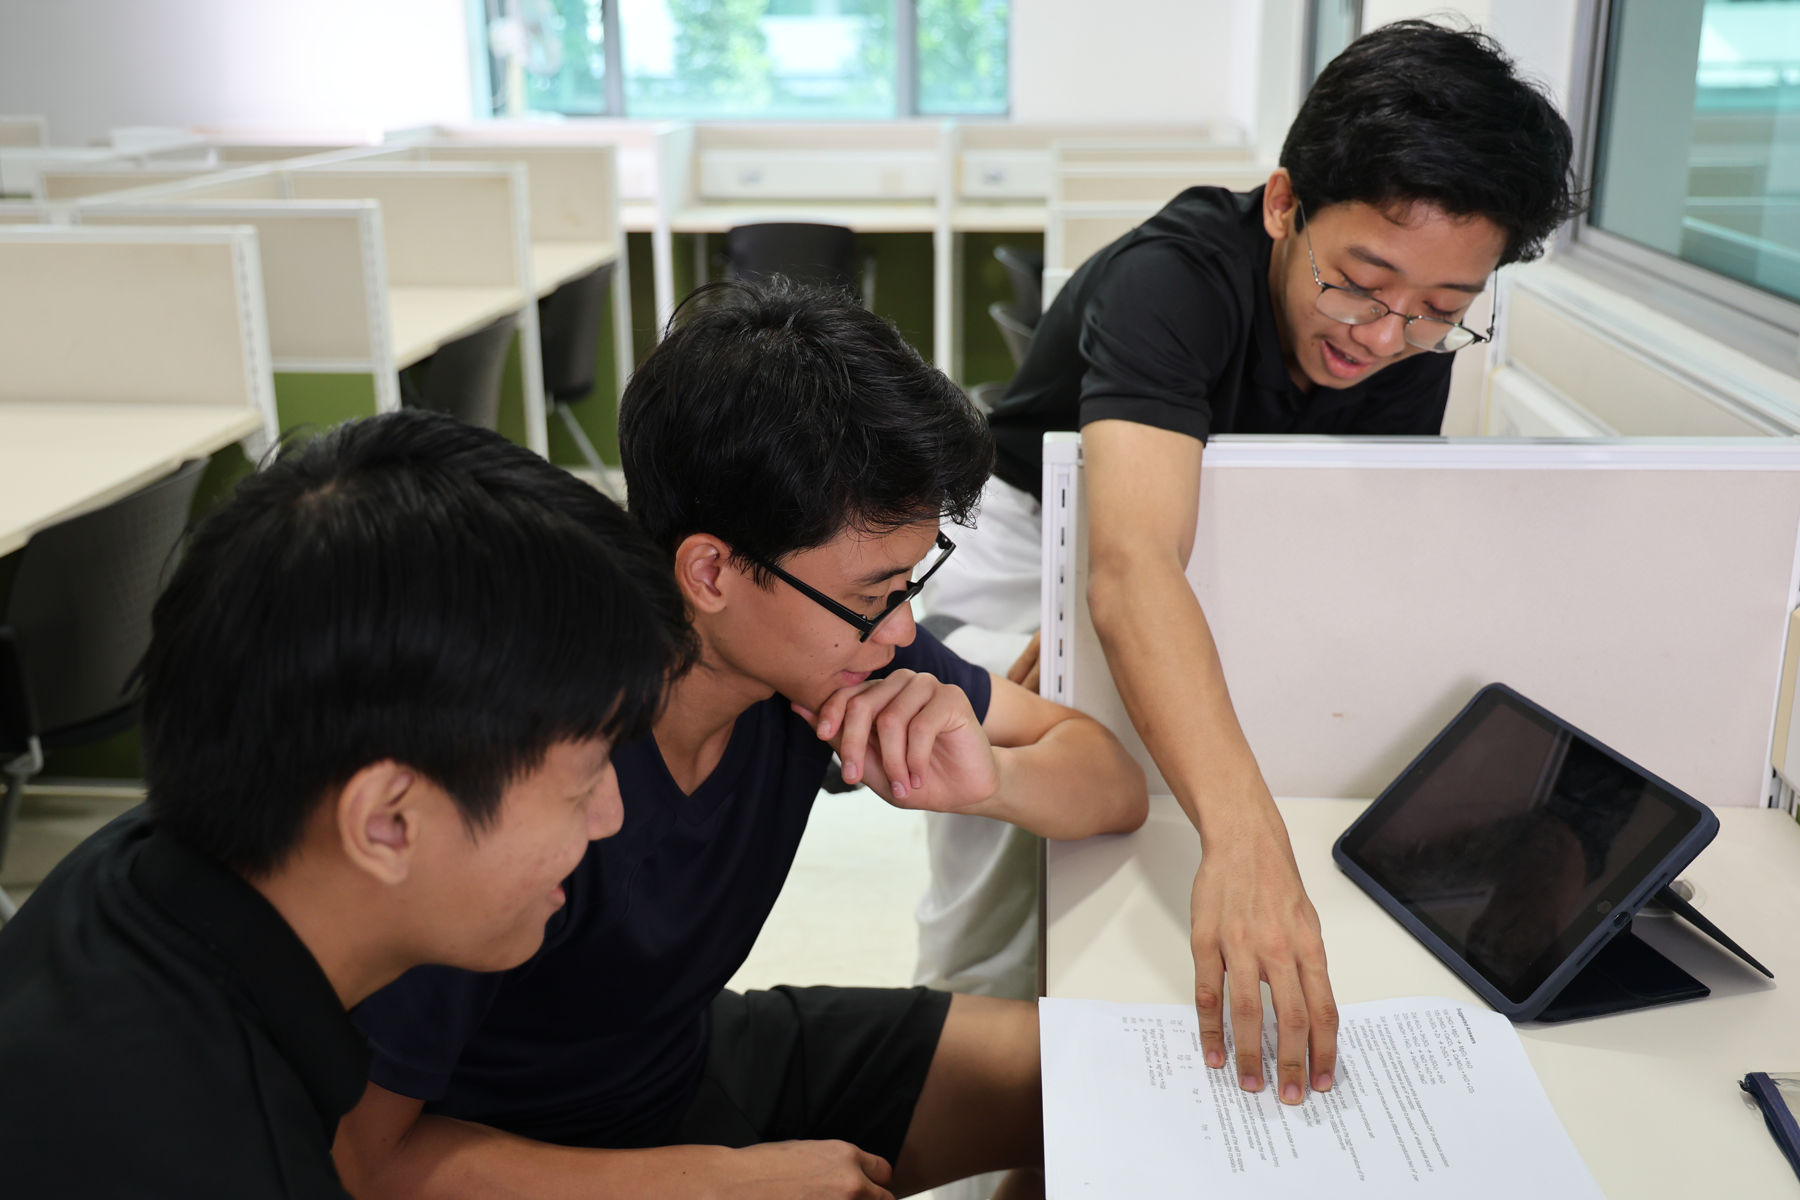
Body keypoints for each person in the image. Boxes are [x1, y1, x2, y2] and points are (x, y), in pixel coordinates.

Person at [333, 281, 1149, 1200]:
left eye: (909, 583)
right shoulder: (529, 766)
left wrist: (981, 782)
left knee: (1103, 1074)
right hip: (532, 1160)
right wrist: (722, 1183)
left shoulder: (829, 644)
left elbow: (1110, 782)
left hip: (685, 1055)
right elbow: (365, 1161)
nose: (900, 628)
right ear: (712, 570)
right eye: (877, 592)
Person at [919, 19, 1585, 1109]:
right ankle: (959, 1093)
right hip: (1032, 541)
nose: (1381, 338)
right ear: (1285, 205)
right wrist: (1245, 841)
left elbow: (1341, 543)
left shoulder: (1400, 337)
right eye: (1361, 284)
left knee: (1200, 827)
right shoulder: (1168, 281)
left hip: (1202, 538)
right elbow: (1130, 565)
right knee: (1015, 866)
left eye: (1439, 311)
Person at [0, 411, 694, 1199]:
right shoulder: (215, 1154)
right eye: (587, 776)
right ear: (386, 821)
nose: (611, 815)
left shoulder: (134, 876)